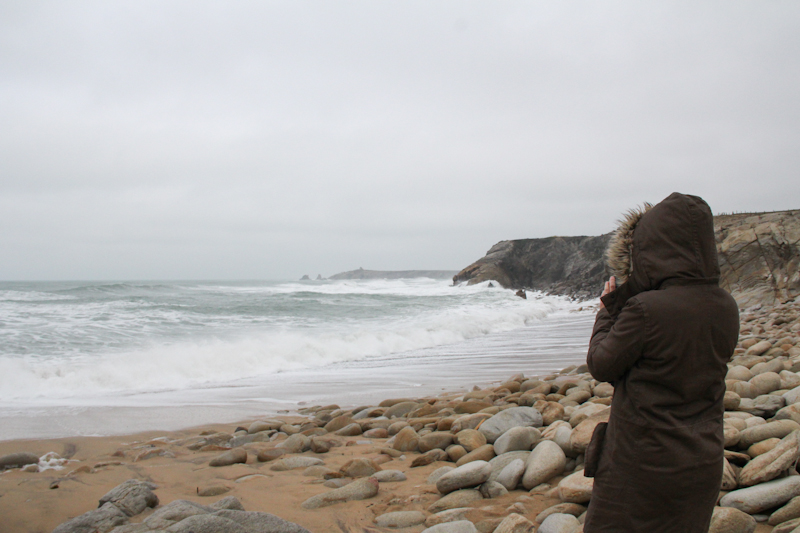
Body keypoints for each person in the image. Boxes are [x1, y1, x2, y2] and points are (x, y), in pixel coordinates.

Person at [583, 192, 740, 532]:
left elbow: (601, 364)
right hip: (701, 460)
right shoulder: (726, 305)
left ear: (652, 248)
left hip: (641, 468)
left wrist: (608, 312)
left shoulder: (646, 309)